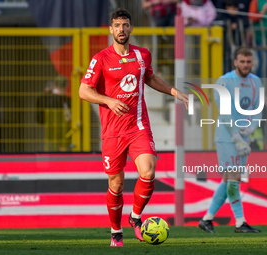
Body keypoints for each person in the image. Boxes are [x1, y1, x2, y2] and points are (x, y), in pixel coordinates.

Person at [79, 8, 188, 247]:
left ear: (131, 28)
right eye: (117, 25)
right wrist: (109, 100)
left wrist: (174, 91)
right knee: (116, 185)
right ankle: (116, 232)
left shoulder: (142, 55)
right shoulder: (101, 58)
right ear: (111, 29)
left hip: (138, 126)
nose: (121, 29)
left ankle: (135, 217)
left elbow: (149, 77)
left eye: (125, 25)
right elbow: (84, 91)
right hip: (112, 131)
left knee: (148, 171)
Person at [198, 48, 262, 233]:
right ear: (235, 62)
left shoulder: (256, 82)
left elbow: (258, 108)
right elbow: (224, 112)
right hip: (227, 138)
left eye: (248, 62)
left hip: (245, 137)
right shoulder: (224, 81)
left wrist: (252, 128)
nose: (245, 65)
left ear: (252, 63)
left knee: (229, 180)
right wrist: (236, 136)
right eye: (242, 61)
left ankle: (207, 219)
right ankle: (240, 222)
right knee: (234, 180)